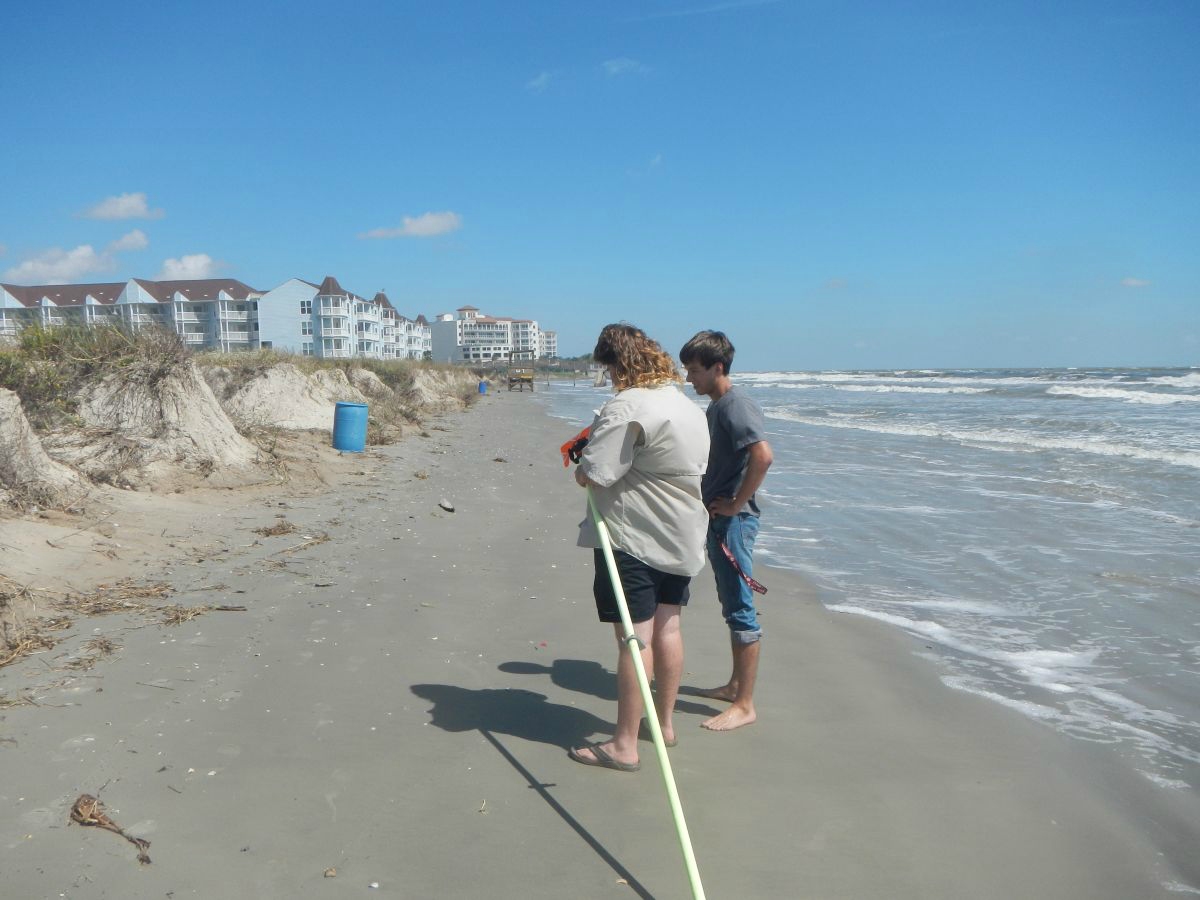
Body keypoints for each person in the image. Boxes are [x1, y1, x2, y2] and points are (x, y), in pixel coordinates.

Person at [569, 323, 710, 772]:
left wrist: (582, 464)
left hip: (636, 536)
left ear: (615, 363)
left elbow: (598, 473)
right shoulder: (685, 404)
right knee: (669, 628)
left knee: (635, 638)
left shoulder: (627, 404)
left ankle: (624, 744)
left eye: (607, 368)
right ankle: (663, 724)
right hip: (684, 532)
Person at [680, 330, 773, 731]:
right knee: (729, 603)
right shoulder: (720, 406)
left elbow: (763, 456)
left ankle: (746, 704)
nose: (689, 379)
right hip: (722, 519)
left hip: (734, 522)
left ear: (718, 367)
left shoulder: (736, 405)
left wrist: (736, 504)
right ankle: (735, 685)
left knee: (740, 608)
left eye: (695, 371)